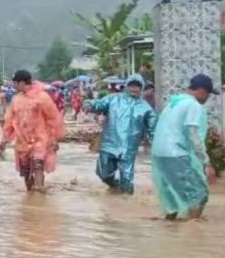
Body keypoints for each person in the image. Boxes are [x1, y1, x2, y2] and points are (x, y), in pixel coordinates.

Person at [152, 74, 218, 220]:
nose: (208, 98)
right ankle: (191, 235)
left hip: (159, 154)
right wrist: (206, 162)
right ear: (201, 90)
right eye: (208, 93)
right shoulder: (193, 104)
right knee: (199, 195)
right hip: (175, 153)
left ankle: (170, 229)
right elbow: (193, 135)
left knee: (172, 196)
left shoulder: (174, 102)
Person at [84, 74, 156, 194]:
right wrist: (90, 104)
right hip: (109, 143)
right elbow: (100, 104)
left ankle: (127, 203)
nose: (134, 89)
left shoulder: (146, 108)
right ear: (126, 86)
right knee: (103, 173)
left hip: (129, 147)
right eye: (131, 86)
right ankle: (114, 185)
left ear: (141, 88)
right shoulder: (113, 99)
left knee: (127, 178)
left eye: (137, 86)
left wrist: (153, 141)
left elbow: (152, 127)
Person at [0, 70, 65, 192]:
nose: (13, 86)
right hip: (22, 140)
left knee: (38, 163)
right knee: (25, 171)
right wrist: (4, 140)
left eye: (15, 83)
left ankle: (39, 190)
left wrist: (55, 138)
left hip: (40, 138)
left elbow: (53, 118)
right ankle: (30, 193)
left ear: (21, 83)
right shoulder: (16, 99)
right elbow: (9, 121)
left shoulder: (42, 97)